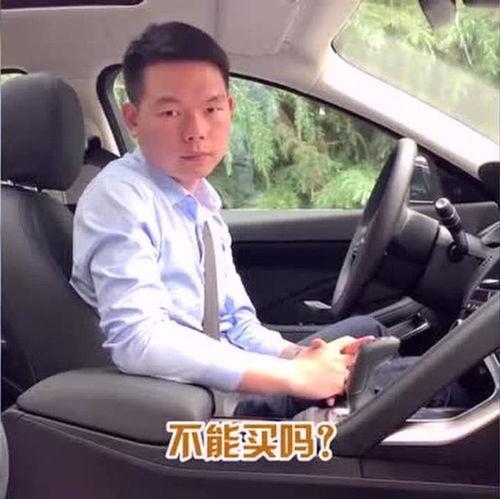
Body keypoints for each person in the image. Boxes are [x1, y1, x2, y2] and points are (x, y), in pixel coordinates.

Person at [70, 22, 462, 419]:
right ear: (134, 118)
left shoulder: (199, 201)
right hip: (198, 412)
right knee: (444, 385)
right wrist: (294, 378)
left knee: (367, 333)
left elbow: (237, 324)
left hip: (221, 385)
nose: (196, 131)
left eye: (211, 109)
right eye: (171, 112)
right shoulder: (119, 199)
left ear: (230, 108)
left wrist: (300, 358)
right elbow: (138, 339)